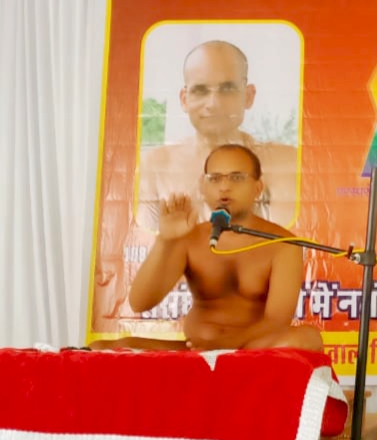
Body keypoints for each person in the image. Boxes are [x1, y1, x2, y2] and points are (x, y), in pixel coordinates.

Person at [92, 144, 322, 352]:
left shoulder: (282, 244)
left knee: (305, 339)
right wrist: (166, 240)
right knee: (102, 348)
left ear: (257, 188)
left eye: (236, 178)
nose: (224, 187)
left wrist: (226, 345)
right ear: (203, 187)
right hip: (195, 351)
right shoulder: (189, 237)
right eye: (215, 178)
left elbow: (276, 322)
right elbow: (140, 302)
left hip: (251, 353)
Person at [136, 40, 298, 231]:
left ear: (248, 96)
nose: (213, 103)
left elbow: (288, 237)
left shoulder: (284, 163)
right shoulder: (155, 166)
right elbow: (144, 238)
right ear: (184, 99)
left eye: (227, 89)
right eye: (200, 91)